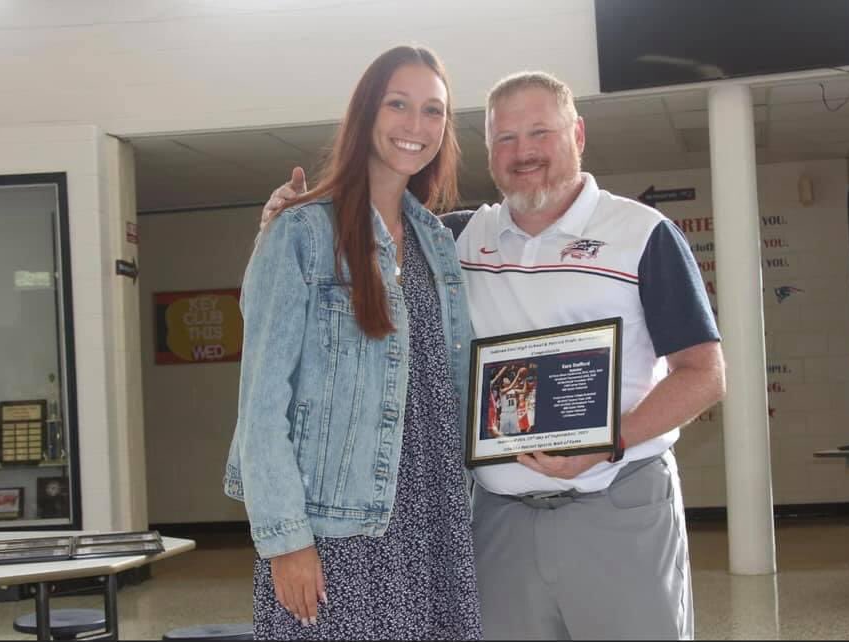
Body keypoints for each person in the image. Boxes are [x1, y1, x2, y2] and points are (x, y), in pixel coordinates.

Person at [261, 71, 725, 640]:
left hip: (617, 506)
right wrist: (286, 223)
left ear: (577, 133)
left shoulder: (643, 233)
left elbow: (703, 374)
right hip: (496, 522)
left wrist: (610, 441)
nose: (523, 152)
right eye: (505, 138)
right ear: (487, 150)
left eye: (540, 133)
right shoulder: (450, 240)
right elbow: (345, 263)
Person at [223, 45, 480, 640]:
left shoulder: (437, 243)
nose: (417, 126)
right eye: (399, 104)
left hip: (436, 524)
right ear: (366, 112)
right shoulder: (302, 233)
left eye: (434, 111)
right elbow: (261, 406)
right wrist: (285, 540)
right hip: (337, 536)